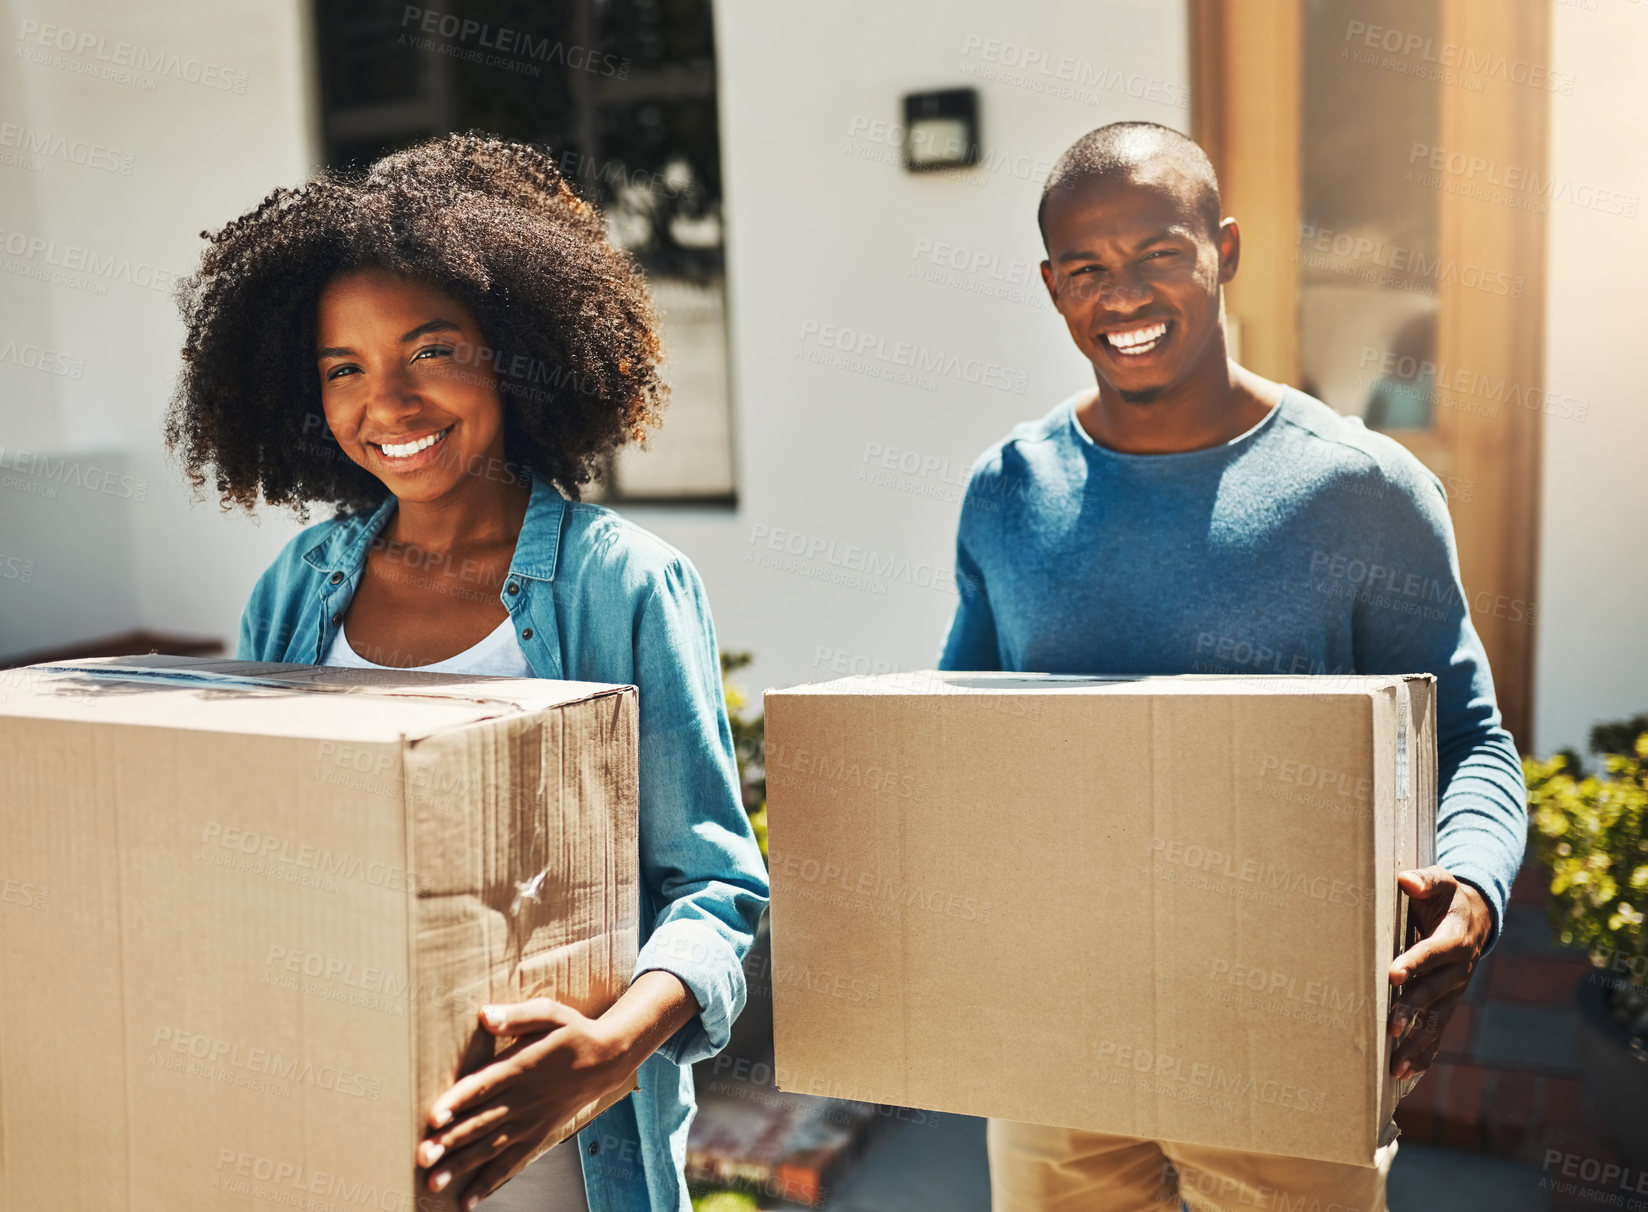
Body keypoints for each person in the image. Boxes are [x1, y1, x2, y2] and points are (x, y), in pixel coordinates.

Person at [167, 133, 770, 1212]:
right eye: (341, 369)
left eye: (430, 351)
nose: (387, 403)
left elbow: (714, 890)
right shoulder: (297, 589)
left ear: (515, 351)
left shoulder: (621, 584)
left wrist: (601, 1052)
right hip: (335, 1107)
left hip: (563, 1148)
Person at [938, 122, 1526, 1212]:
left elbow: (1471, 740)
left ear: (1226, 248)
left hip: (1285, 1036)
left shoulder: (1361, 489)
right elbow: (961, 735)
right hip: (1053, 1036)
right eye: (1087, 269)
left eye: (1160, 252)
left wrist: (1475, 895)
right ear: (1051, 288)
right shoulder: (1007, 492)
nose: (1124, 296)